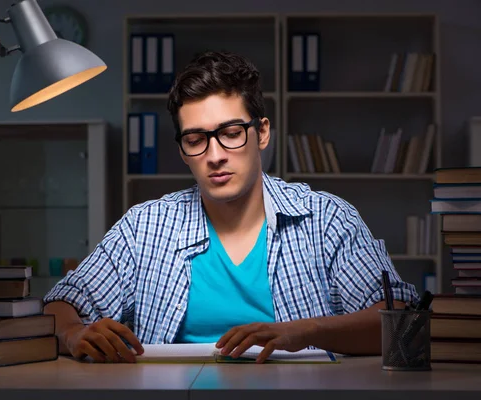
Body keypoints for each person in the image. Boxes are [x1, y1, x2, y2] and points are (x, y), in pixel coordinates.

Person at [43, 50, 419, 364]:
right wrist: (74, 332)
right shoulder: (144, 226)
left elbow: (399, 322)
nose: (215, 155)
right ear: (183, 151)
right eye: (196, 139)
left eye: (231, 133)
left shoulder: (327, 219)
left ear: (263, 133)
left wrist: (304, 331)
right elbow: (60, 303)